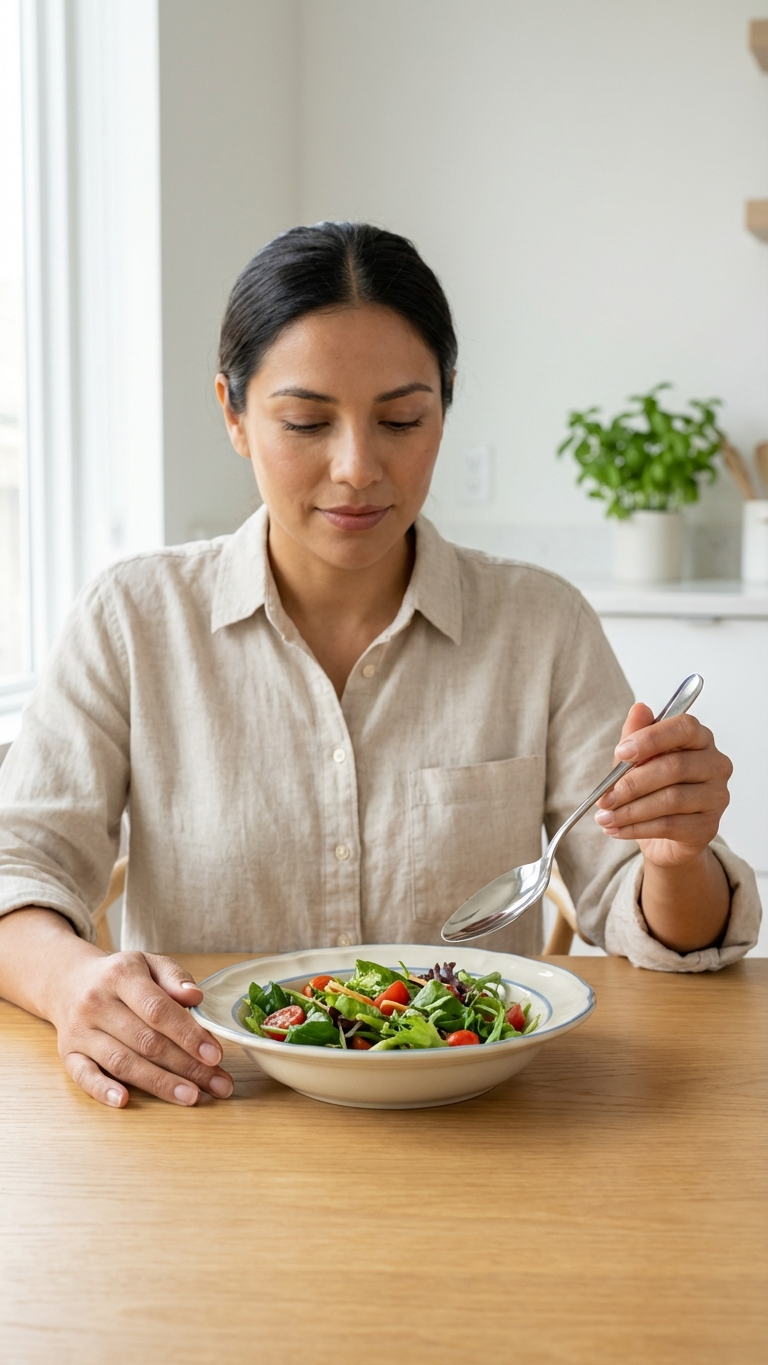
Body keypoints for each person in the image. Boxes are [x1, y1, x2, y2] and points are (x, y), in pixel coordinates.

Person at [0, 223, 760, 1110]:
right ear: (233, 414)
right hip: (211, 1114)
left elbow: (658, 921)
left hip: (489, 1129)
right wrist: (70, 980)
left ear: (446, 404)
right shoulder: (132, 618)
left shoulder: (540, 623)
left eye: (402, 419)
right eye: (306, 422)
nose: (358, 468)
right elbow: (20, 868)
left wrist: (676, 857)